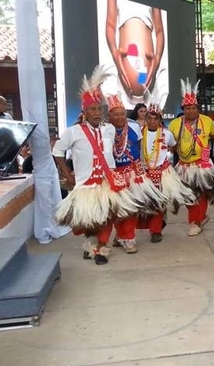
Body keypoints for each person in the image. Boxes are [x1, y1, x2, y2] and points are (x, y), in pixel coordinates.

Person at [53, 66, 139, 265]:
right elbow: (57, 151)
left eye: (99, 108)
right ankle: (91, 243)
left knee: (107, 216)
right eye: (93, 109)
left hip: (108, 183)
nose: (97, 112)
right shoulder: (73, 132)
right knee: (87, 220)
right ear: (84, 111)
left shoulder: (108, 130)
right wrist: (66, 174)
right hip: (85, 184)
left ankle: (101, 248)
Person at [106, 92, 167, 254]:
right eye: (115, 114)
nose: (119, 117)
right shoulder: (105, 130)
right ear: (109, 116)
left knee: (132, 207)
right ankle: (120, 235)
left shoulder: (133, 126)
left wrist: (141, 170)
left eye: (121, 113)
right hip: (113, 174)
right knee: (117, 208)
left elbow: (139, 149)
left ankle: (129, 238)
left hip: (133, 173)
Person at [169, 78, 214, 236]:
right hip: (184, 164)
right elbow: (172, 146)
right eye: (187, 108)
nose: (191, 111)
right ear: (183, 109)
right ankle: (199, 218)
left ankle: (195, 222)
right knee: (188, 195)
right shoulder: (175, 124)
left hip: (203, 164)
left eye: (194, 108)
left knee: (202, 193)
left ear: (198, 108)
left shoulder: (208, 121)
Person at [139, 92, 195, 243]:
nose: (151, 121)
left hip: (163, 173)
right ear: (145, 119)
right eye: (149, 118)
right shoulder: (139, 133)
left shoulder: (167, 134)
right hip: (143, 173)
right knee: (142, 203)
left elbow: (173, 146)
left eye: (155, 118)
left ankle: (156, 231)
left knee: (159, 203)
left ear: (159, 120)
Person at [105, 0, 165, 107]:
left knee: (153, 118)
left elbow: (159, 30)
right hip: (124, 79)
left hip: (148, 78)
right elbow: (110, 25)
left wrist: (158, 58)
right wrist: (114, 52)